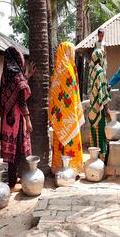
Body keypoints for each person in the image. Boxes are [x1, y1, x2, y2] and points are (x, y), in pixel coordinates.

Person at [0, 46, 35, 192]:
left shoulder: (6, 74)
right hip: (17, 119)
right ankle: (12, 183)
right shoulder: (17, 77)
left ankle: (13, 179)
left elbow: (17, 86)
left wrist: (28, 76)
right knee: (17, 150)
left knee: (11, 151)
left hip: (7, 120)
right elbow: (21, 100)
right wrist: (28, 120)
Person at [49, 42, 84, 174]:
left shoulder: (56, 70)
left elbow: (52, 95)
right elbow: (73, 93)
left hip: (59, 116)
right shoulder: (69, 69)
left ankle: (58, 168)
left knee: (59, 140)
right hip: (70, 115)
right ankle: (72, 169)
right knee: (71, 140)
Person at [88, 33, 111, 160]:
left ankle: (93, 157)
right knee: (101, 132)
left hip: (92, 108)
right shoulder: (100, 71)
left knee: (93, 131)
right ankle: (102, 157)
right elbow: (102, 93)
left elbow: (95, 88)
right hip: (99, 108)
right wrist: (107, 109)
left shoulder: (91, 70)